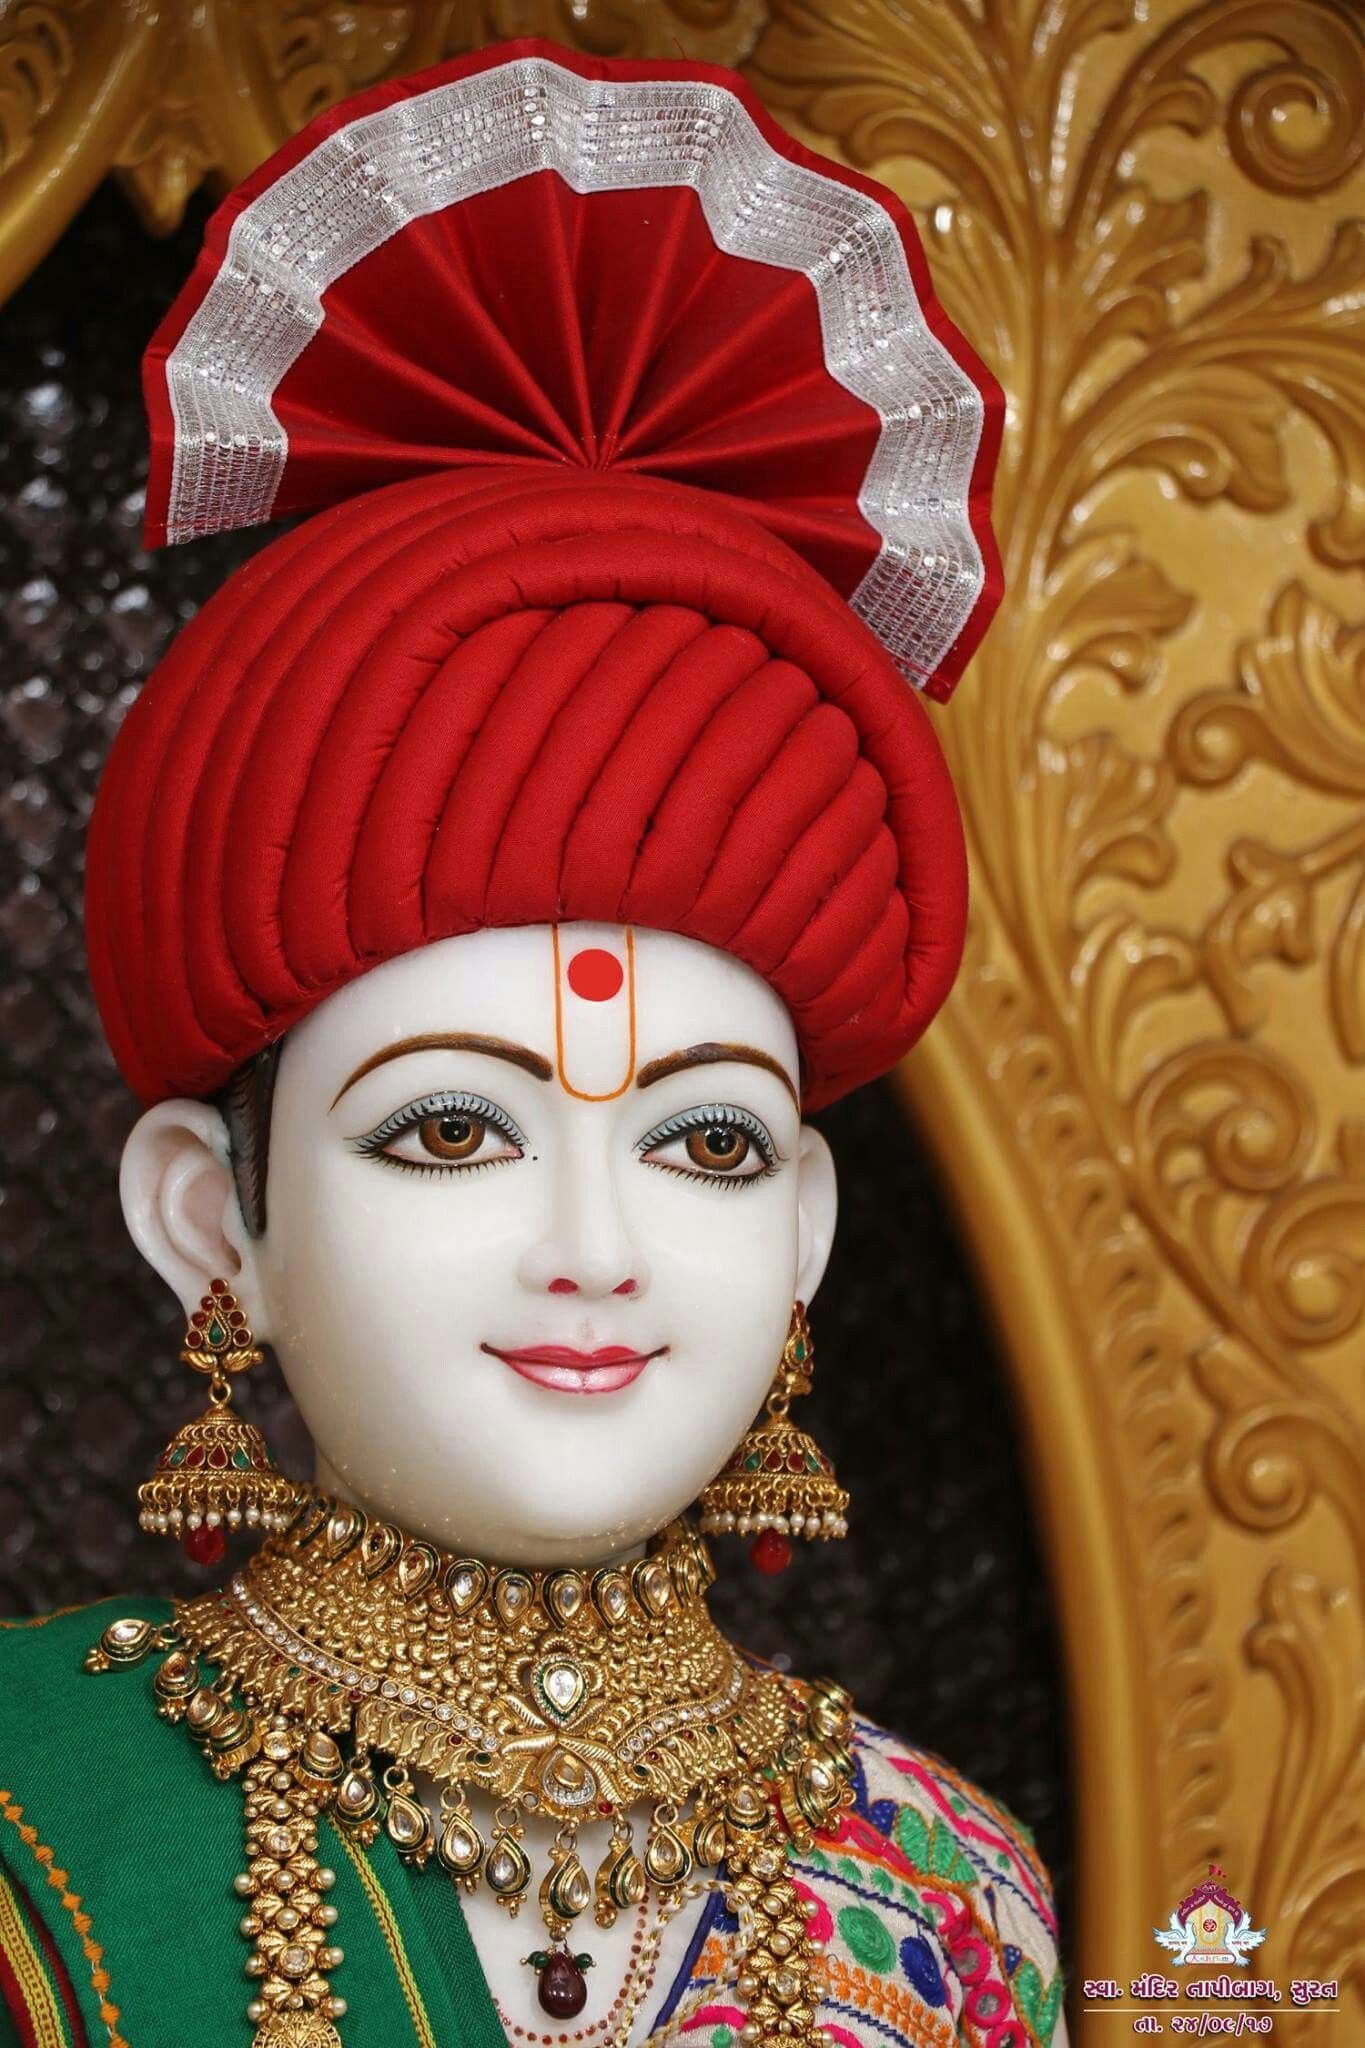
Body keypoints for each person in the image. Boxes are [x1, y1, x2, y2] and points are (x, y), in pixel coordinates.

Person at [0, 39, 1064, 2048]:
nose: (595, 1240)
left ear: (812, 1223)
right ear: (205, 1217)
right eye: (448, 1132)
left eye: (710, 1144)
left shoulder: (948, 1895)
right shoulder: (31, 1832)